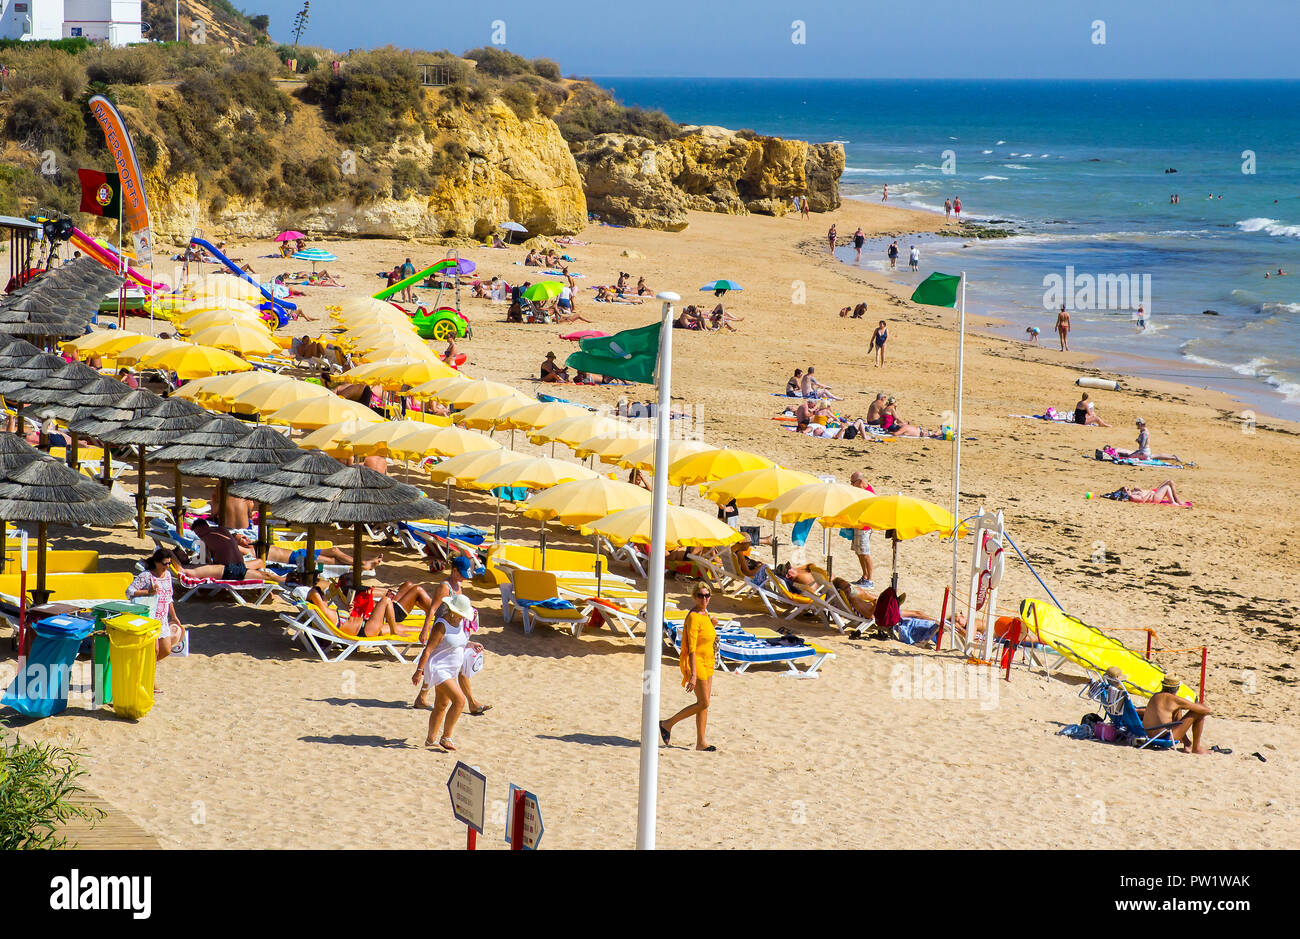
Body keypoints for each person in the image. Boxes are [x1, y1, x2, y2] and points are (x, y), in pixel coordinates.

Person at [414, 555, 490, 715]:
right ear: (454, 570)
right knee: (436, 662)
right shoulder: (445, 587)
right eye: (462, 573)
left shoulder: (458, 585)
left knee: (455, 663)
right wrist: (425, 630)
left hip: (455, 629)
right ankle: (470, 702)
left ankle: (471, 702)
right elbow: (433, 609)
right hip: (442, 630)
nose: (464, 577)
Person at [412, 593, 476, 751]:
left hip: (451, 670)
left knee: (441, 704)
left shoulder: (458, 623)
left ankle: (430, 739)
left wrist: (471, 644)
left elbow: (457, 643)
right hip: (439, 669)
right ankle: (446, 737)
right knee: (460, 701)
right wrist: (419, 671)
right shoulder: (441, 625)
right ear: (452, 610)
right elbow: (428, 650)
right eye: (460, 614)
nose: (462, 617)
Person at [659, 582, 718, 751]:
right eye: (701, 596)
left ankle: (701, 742)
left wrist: (712, 624)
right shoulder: (693, 616)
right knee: (703, 702)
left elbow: (704, 634)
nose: (704, 599)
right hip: (697, 662)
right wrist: (692, 674)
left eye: (707, 596)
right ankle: (667, 723)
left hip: (708, 661)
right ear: (694, 597)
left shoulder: (705, 613)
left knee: (704, 703)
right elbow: (691, 648)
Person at [127, 549, 187, 684]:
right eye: (165, 564)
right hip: (149, 618)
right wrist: (148, 591)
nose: (167, 566)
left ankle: (143, 669)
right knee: (154, 650)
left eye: (169, 564)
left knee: (165, 650)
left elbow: (168, 598)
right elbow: (129, 591)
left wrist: (174, 616)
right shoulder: (146, 576)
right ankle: (150, 681)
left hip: (163, 619)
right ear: (156, 562)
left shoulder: (167, 576)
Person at [189, 518, 285, 583]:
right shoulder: (222, 530)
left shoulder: (206, 538)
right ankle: (280, 582)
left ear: (205, 526)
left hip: (230, 570)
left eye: (199, 532)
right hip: (238, 566)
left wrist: (191, 561)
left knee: (267, 576)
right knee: (261, 564)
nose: (199, 535)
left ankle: (284, 580)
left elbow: (205, 560)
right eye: (197, 534)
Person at [1140, 675, 1211, 753]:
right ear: (1177, 688)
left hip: (1148, 733)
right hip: (1164, 737)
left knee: (1177, 709)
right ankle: (1196, 748)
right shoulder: (1174, 700)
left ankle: (1187, 743)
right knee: (1198, 713)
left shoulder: (1155, 696)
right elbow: (1207, 710)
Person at [849, 471, 875, 588]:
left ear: (860, 482)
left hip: (864, 527)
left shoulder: (869, 493)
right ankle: (864, 576)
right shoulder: (860, 491)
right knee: (859, 552)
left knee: (865, 553)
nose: (851, 485)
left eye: (852, 482)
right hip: (858, 525)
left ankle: (870, 579)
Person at [1115, 417, 1181, 463]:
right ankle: (1172, 457)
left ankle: (1172, 457)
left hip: (1143, 452)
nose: (1137, 427)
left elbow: (1142, 445)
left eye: (1137, 425)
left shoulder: (1144, 433)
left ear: (1140, 425)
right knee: (1155, 456)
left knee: (1129, 457)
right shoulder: (1145, 431)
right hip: (1146, 451)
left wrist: (1138, 441)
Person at [1112, 479, 1190, 506]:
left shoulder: (1133, 493)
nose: (1129, 490)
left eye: (1128, 488)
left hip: (1153, 493)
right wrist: (1150, 493)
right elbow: (1142, 500)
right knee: (1167, 487)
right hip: (1154, 497)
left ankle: (1176, 500)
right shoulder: (1132, 497)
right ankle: (1174, 501)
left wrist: (1138, 490)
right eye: (1127, 490)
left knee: (1169, 481)